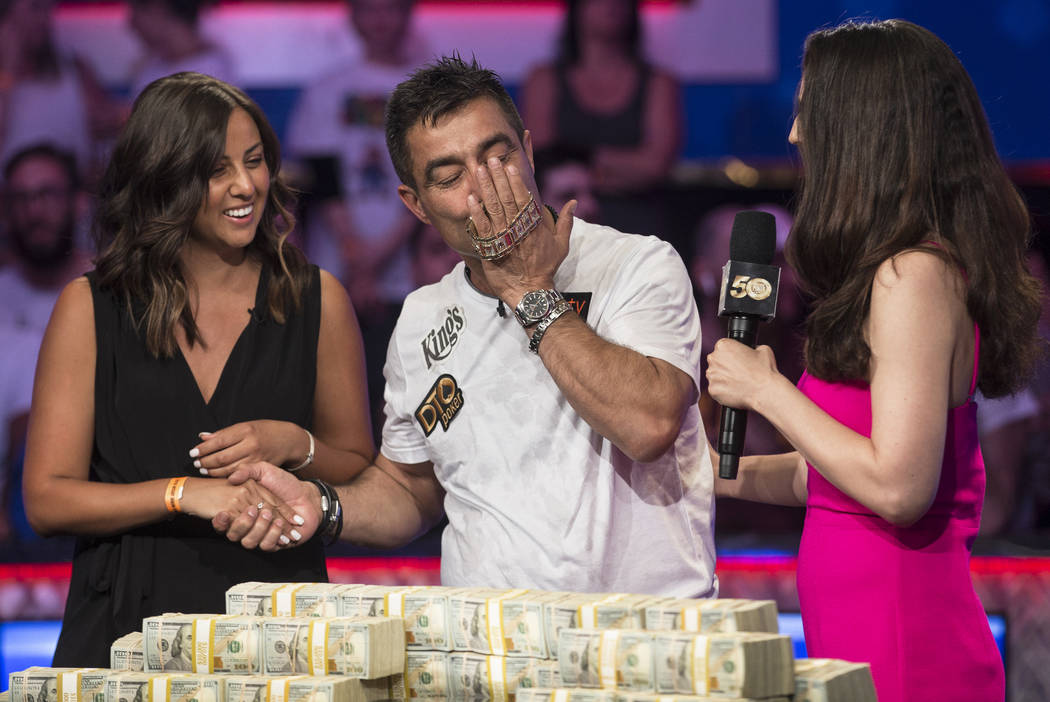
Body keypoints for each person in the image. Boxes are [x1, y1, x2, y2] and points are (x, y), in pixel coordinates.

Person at [218, 56, 715, 598]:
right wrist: (323, 505)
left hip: (643, 645)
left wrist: (528, 291)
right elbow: (410, 488)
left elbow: (648, 425)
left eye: (497, 157)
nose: (482, 189)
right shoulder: (421, 318)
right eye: (450, 177)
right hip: (491, 655)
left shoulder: (636, 264)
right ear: (418, 205)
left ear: (528, 152)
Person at [704, 19, 1041, 702]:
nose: (794, 135)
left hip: (908, 648)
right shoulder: (891, 273)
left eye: (807, 112)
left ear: (859, 128)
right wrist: (706, 474)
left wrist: (767, 392)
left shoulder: (914, 276)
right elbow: (829, 477)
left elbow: (898, 487)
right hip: (861, 641)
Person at [22, 72, 375, 667]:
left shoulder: (318, 299)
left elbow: (357, 466)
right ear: (164, 177)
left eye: (255, 161)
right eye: (216, 169)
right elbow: (47, 499)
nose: (246, 186)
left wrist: (292, 442)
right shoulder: (91, 308)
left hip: (275, 627)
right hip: (124, 632)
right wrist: (184, 494)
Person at [285, 0, 429, 439]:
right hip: (339, 274)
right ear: (352, 16)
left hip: (411, 273)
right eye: (369, 9)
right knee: (340, 409)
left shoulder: (431, 88)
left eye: (391, 9)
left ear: (409, 14)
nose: (381, 20)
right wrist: (355, 254)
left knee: (407, 407)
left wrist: (376, 256)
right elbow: (319, 181)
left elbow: (433, 179)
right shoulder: (328, 89)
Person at [521, 0, 681, 237]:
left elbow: (655, 166)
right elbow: (542, 159)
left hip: (638, 223)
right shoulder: (543, 80)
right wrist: (620, 168)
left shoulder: (660, 82)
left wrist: (578, 159)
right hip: (564, 222)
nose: (612, 4)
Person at [0, 0, 122, 177]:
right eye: (35, 7)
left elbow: (106, 129)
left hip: (69, 196)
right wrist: (7, 71)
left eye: (48, 9)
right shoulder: (6, 80)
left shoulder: (74, 70)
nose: (44, 19)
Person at [126, 0, 236, 97]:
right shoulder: (151, 64)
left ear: (158, 8)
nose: (132, 24)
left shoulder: (212, 70)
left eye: (136, 10)